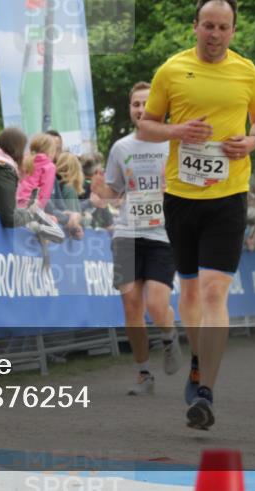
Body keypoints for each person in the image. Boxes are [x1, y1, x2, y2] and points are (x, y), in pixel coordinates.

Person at [137, 0, 255, 430]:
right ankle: (198, 362)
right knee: (191, 294)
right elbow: (146, 124)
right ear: (195, 26)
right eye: (208, 25)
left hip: (229, 197)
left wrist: (252, 141)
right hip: (181, 196)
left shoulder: (248, 73)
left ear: (233, 31)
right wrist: (178, 130)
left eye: (223, 27)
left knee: (215, 292)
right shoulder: (171, 70)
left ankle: (206, 390)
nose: (215, 34)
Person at [91, 81, 185, 396]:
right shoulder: (121, 147)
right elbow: (113, 193)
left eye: (147, 103)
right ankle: (144, 374)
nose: (141, 109)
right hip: (127, 232)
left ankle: (169, 337)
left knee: (157, 304)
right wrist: (99, 191)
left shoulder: (173, 142)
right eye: (135, 105)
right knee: (132, 306)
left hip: (163, 234)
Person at [16, 133, 59, 209]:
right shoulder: (49, 166)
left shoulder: (23, 160)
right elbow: (44, 194)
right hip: (31, 207)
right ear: (51, 151)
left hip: (15, 203)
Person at [49, 152, 85, 239]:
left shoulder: (54, 182)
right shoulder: (69, 188)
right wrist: (86, 218)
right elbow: (73, 219)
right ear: (76, 169)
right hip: (64, 237)